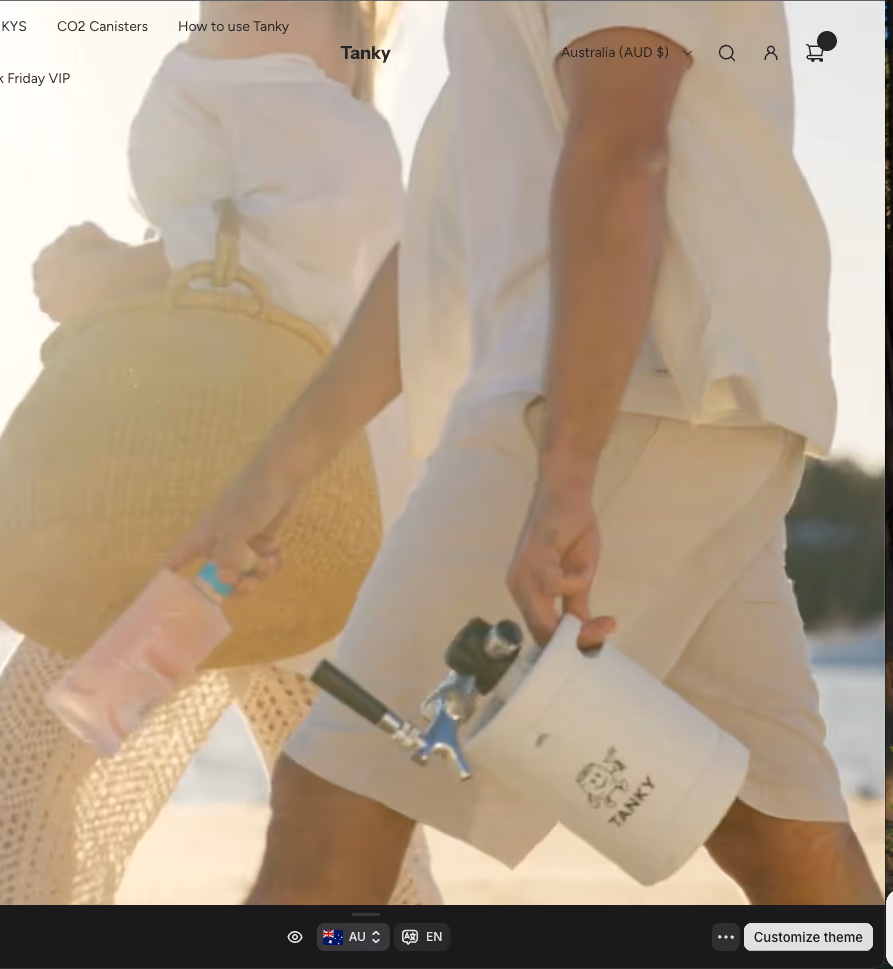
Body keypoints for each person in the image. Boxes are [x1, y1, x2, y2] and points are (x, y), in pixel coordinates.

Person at [170, 1, 882, 904]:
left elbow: (623, 152)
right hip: (654, 418)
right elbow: (434, 269)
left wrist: (568, 467)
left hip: (608, 408)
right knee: (778, 833)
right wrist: (262, 487)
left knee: (332, 802)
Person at [0, 0, 441, 905]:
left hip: (238, 502)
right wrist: (130, 258)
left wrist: (119, 276)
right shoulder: (302, 29)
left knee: (29, 752)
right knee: (338, 810)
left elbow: (326, 212)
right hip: (267, 487)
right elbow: (278, 233)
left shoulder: (277, 19)